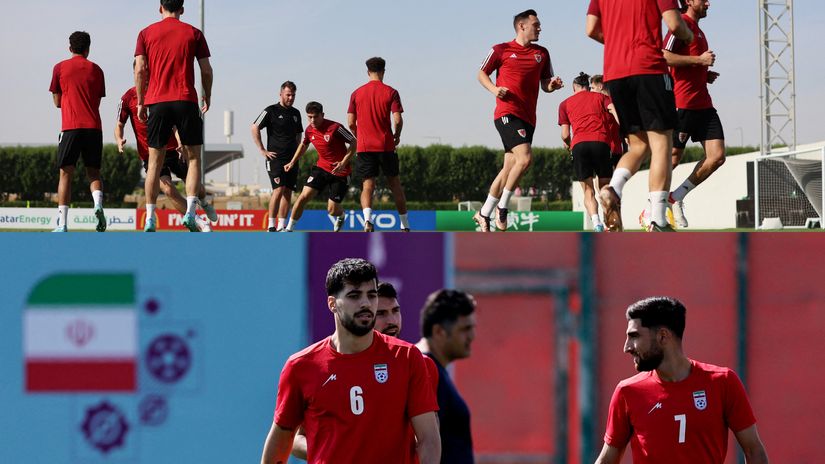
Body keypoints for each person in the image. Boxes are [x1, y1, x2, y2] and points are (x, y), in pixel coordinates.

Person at [260, 259, 440, 464]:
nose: (365, 303)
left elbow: (429, 439)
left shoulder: (407, 357)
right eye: (354, 296)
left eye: (371, 295)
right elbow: (283, 440)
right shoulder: (300, 366)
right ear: (332, 304)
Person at [594, 296, 770, 464]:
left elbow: (754, 451)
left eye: (634, 336)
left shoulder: (723, 382)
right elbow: (607, 460)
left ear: (663, 336)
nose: (627, 347)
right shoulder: (627, 392)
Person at [586, 0, 693, 231]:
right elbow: (675, 24)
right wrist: (689, 36)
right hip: (649, 69)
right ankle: (658, 219)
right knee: (662, 144)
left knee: (638, 146)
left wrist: (617, 42)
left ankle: (612, 189)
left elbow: (591, 28)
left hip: (615, 74)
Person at [474, 9, 564, 232]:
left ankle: (483, 213)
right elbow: (481, 73)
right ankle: (503, 207)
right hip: (506, 113)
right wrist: (495, 90)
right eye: (536, 24)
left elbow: (545, 84)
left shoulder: (542, 53)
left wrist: (551, 86)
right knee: (525, 159)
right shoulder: (501, 49)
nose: (540, 28)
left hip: (528, 117)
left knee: (509, 169)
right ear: (522, 26)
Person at [134, 0, 213, 232]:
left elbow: (140, 69)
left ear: (160, 8)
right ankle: (190, 212)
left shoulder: (145, 33)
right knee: (194, 159)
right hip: (186, 100)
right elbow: (206, 70)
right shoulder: (194, 33)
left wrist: (140, 100)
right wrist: (207, 95)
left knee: (154, 164)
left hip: (157, 101)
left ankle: (149, 217)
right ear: (182, 9)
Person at [115, 64, 217, 232]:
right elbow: (119, 124)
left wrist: (179, 142)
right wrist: (119, 139)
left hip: (173, 150)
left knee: (198, 189)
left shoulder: (160, 93)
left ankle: (204, 203)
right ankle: (197, 220)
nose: (145, 75)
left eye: (148, 71)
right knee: (168, 189)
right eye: (141, 72)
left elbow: (175, 123)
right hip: (151, 154)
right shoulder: (127, 97)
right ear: (134, 73)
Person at [662, 0, 724, 228]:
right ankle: (653, 208)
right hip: (682, 103)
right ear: (688, 1)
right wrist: (699, 60)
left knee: (717, 157)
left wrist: (703, 73)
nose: (708, 3)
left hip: (703, 104)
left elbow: (687, 65)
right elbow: (664, 56)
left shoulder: (700, 31)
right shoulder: (680, 25)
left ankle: (675, 198)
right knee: (673, 158)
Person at [49, 31, 107, 233]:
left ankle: (62, 224)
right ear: (88, 49)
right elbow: (96, 102)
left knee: (65, 175)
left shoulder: (59, 68)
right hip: (94, 127)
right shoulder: (97, 70)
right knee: (94, 173)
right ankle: (98, 205)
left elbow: (57, 102)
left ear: (69, 47)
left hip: (71, 127)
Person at [347, 57, 409, 232]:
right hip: (386, 145)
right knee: (395, 184)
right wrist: (397, 135)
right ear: (383, 71)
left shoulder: (356, 93)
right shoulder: (391, 92)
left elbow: (351, 122)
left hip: (365, 147)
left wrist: (360, 135)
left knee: (367, 186)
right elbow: (397, 119)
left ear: (368, 72)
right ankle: (405, 225)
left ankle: (368, 221)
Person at [416, 289, 477, 464]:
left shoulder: (432, 368)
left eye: (473, 328)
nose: (472, 336)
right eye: (465, 329)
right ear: (439, 331)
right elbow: (421, 443)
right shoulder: (425, 369)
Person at [282, 101, 355, 232]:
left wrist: (343, 163)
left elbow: (354, 142)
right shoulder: (309, 130)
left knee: (332, 210)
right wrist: (292, 161)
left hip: (341, 172)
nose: (312, 120)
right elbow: (304, 145)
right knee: (303, 197)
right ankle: (288, 229)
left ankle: (341, 216)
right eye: (309, 117)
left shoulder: (335, 127)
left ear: (322, 115)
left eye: (315, 117)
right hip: (321, 168)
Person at [558, 72, 617, 232]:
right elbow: (613, 109)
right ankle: (608, 223)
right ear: (587, 86)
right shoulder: (601, 97)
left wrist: (570, 145)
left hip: (579, 145)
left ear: (574, 88)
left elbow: (564, 135)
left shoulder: (564, 104)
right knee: (605, 188)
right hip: (601, 143)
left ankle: (596, 222)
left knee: (588, 189)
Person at [252, 81, 303, 232]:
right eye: (288, 95)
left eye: (293, 95)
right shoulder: (271, 110)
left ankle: (282, 225)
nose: (291, 98)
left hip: (291, 159)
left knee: (287, 191)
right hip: (275, 158)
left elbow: (299, 133)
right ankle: (271, 225)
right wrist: (262, 149)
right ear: (280, 94)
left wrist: (296, 153)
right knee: (278, 189)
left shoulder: (296, 113)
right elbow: (254, 126)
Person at [590, 74, 626, 169]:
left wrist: (624, 127)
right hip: (616, 147)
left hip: (608, 147)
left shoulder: (606, 101)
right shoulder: (616, 100)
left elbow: (613, 111)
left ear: (600, 87)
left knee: (604, 179)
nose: (591, 91)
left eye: (593, 88)